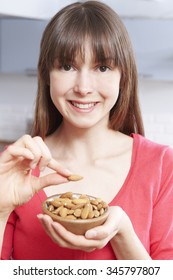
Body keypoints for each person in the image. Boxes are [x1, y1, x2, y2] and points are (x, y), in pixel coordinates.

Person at [0, 0, 173, 260]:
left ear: (122, 76)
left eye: (102, 68)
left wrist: (123, 233)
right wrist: (1, 209)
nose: (83, 87)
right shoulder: (17, 167)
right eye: (67, 66)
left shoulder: (162, 165)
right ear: (47, 74)